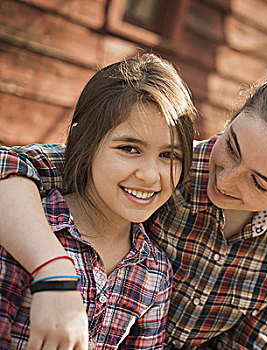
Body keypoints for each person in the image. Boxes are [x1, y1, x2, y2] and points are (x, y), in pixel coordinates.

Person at [0, 75, 267, 349]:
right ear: (234, 116)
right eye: (232, 147)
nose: (227, 179)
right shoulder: (160, 166)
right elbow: (10, 166)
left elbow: (244, 344)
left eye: (260, 183)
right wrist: (55, 273)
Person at [0, 53, 197, 349]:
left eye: (169, 155)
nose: (150, 175)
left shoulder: (155, 271)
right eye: (129, 148)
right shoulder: (26, 229)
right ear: (86, 143)